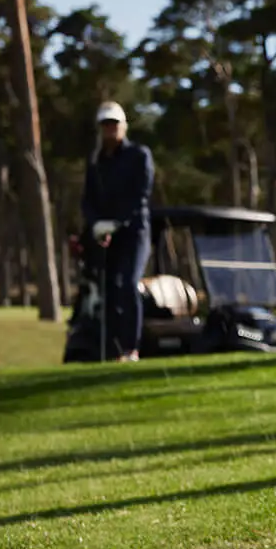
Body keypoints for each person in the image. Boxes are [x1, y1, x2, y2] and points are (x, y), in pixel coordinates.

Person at [80, 101, 154, 362]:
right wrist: (96, 224)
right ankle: (114, 351)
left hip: (135, 231)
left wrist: (118, 222)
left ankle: (131, 348)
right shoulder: (96, 161)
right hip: (107, 235)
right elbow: (88, 200)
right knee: (110, 289)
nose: (110, 130)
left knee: (128, 283)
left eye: (114, 124)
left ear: (123, 126)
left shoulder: (139, 155)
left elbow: (140, 195)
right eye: (105, 125)